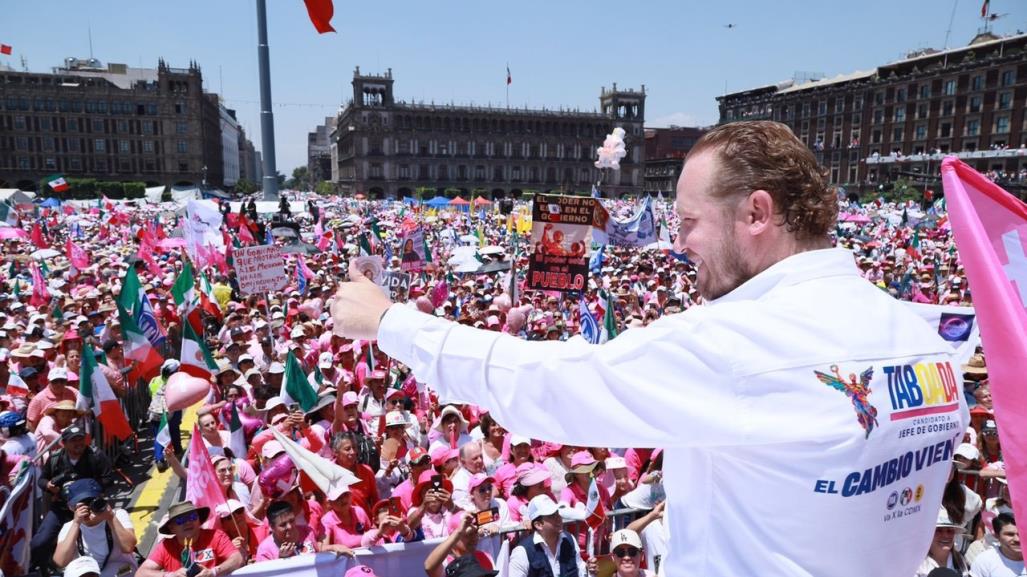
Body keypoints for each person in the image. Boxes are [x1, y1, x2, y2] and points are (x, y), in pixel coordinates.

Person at [333, 120, 970, 576]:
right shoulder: (926, 339)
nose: (680, 243)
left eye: (690, 222)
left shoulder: (741, 344)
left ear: (756, 213)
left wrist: (391, 322)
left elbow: (545, 382)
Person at [53, 479, 138, 577]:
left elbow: (128, 548)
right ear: (71, 507)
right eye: (82, 504)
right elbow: (60, 562)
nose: (88, 508)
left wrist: (110, 517)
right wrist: (77, 523)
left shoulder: (118, 515)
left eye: (91, 501)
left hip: (124, 569)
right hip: (89, 572)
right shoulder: (70, 527)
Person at [136, 501, 243, 577]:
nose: (188, 522)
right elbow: (141, 573)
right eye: (180, 520)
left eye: (192, 517)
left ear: (199, 521)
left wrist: (213, 572)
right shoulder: (166, 546)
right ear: (172, 528)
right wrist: (170, 575)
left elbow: (237, 559)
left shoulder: (215, 536)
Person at [507, 494, 587, 577]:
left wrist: (589, 571)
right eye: (551, 516)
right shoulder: (521, 552)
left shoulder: (570, 540)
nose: (558, 518)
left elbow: (580, 570)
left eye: (557, 513)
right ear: (538, 525)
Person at [255, 500, 353, 561]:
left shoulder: (307, 531)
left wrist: (334, 548)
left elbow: (318, 551)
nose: (289, 526)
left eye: (292, 521)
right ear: (272, 527)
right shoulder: (265, 550)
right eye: (283, 525)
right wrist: (281, 560)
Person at [915, 508, 971, 576]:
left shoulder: (960, 561)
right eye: (938, 530)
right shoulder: (917, 564)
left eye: (949, 531)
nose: (945, 535)